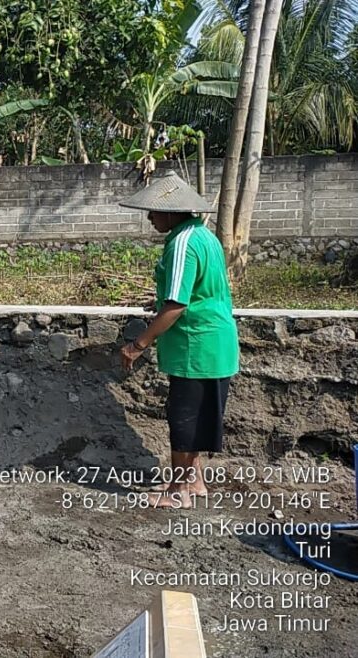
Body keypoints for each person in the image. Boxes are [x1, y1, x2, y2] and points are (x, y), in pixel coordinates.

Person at [117, 171, 239, 509]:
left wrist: (137, 344)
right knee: (197, 416)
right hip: (214, 343)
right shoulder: (203, 236)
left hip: (195, 346)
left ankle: (177, 491)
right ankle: (195, 481)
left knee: (183, 418)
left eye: (153, 211)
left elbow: (177, 305)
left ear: (172, 212)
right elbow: (193, 292)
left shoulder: (182, 243)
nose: (150, 217)